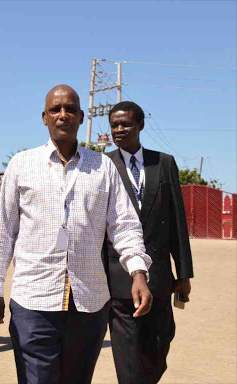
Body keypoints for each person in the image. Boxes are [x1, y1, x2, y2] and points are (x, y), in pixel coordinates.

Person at [0, 85, 153, 384]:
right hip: (33, 301)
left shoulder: (103, 167)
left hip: (88, 302)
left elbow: (124, 225)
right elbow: (3, 232)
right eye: (55, 109)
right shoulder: (22, 165)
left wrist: (138, 272)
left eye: (70, 109)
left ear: (81, 116)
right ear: (44, 117)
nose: (63, 115)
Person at [105, 101, 194, 384]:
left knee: (159, 345)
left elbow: (177, 219)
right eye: (114, 125)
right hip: (118, 279)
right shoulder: (104, 165)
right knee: (128, 353)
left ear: (140, 125)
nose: (119, 129)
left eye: (126, 124)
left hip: (159, 278)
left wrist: (183, 273)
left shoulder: (164, 162)